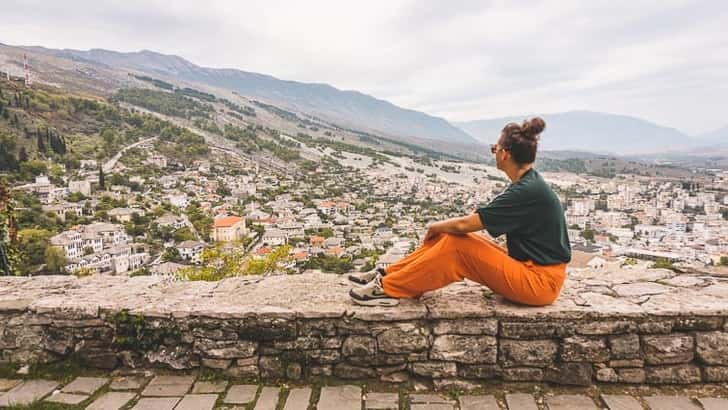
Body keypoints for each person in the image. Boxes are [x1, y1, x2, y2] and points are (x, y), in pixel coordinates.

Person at [349, 117, 571, 307]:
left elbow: (465, 225)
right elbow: (463, 227)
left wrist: (434, 227)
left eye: (495, 149)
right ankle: (390, 274)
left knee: (456, 244)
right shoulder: (529, 185)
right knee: (452, 237)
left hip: (541, 283)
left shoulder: (526, 190)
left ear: (504, 154)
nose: (494, 153)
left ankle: (388, 288)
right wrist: (442, 230)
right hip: (533, 272)